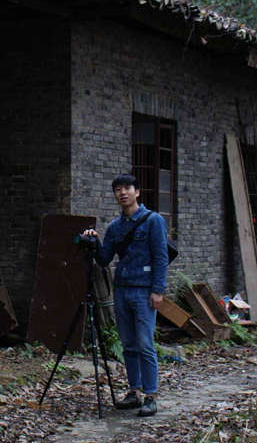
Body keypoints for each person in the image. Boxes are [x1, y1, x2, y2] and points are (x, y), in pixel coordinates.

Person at [82, 173, 169, 417]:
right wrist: (94, 241)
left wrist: (158, 290)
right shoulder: (115, 227)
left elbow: (161, 257)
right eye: (118, 189)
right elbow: (104, 259)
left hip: (144, 290)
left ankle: (150, 395)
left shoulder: (153, 221)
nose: (123, 193)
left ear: (137, 192)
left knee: (145, 343)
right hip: (121, 289)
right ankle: (134, 392)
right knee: (129, 344)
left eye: (127, 188)